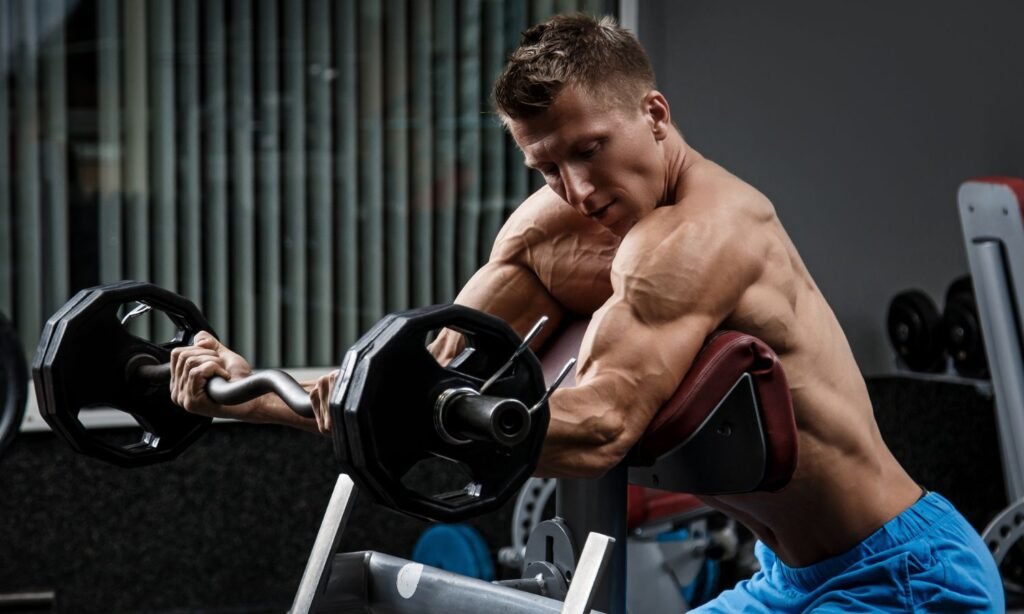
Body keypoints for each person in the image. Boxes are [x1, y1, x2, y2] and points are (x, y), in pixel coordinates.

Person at [170, 14, 1003, 611]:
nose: (576, 188)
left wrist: (408, 415)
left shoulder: (709, 234)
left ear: (654, 113)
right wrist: (249, 389)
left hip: (903, 577)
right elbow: (413, 377)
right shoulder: (552, 231)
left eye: (589, 149)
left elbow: (601, 427)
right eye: (546, 168)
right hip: (785, 582)